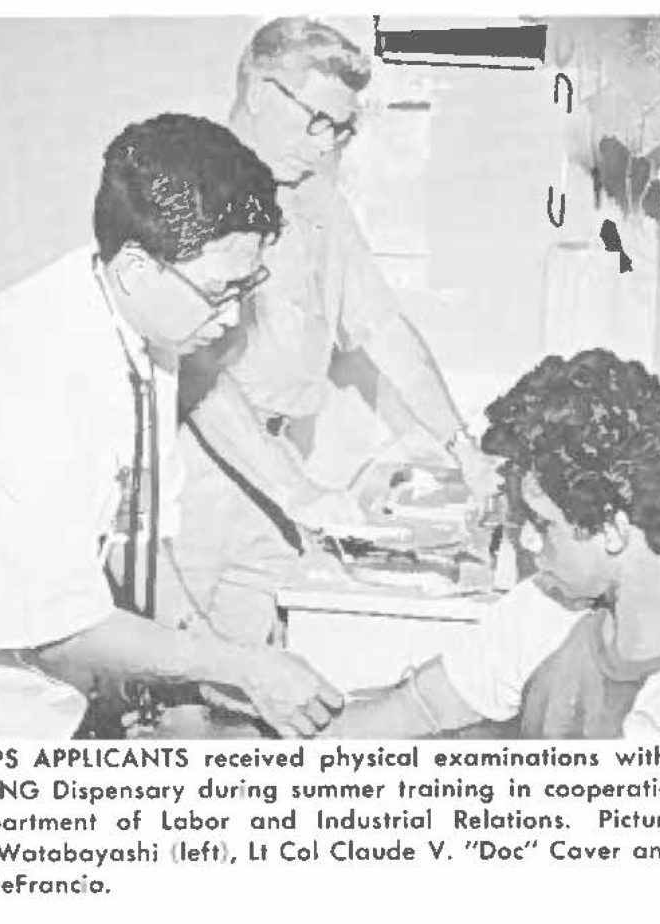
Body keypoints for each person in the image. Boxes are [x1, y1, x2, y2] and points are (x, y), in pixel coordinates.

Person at [0, 113, 343, 739]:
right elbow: (55, 631)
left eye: (246, 288)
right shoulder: (21, 370)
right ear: (138, 267)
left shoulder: (151, 327)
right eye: (220, 291)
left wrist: (205, 664)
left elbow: (142, 538)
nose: (232, 319)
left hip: (36, 700)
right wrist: (238, 665)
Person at [167, 17, 501, 643]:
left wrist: (463, 449)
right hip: (194, 463)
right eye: (316, 121)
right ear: (261, 93)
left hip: (275, 459)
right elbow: (198, 370)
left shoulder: (316, 198)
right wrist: (298, 492)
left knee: (253, 676)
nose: (325, 145)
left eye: (341, 128)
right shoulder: (189, 187)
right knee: (180, 672)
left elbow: (381, 325)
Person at [320, 348, 660, 739]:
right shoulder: (545, 610)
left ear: (613, 531)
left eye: (542, 524)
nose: (528, 542)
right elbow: (406, 712)